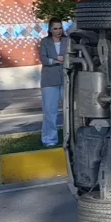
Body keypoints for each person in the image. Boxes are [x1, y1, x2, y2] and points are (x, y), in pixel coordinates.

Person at [39, 18, 68, 147]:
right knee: (50, 112)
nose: (58, 31)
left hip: (66, 79)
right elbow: (44, 59)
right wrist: (58, 59)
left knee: (69, 110)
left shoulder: (68, 41)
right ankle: (49, 139)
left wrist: (58, 60)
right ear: (50, 30)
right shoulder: (45, 42)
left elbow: (72, 56)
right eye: (55, 28)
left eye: (60, 28)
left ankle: (69, 137)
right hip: (49, 81)